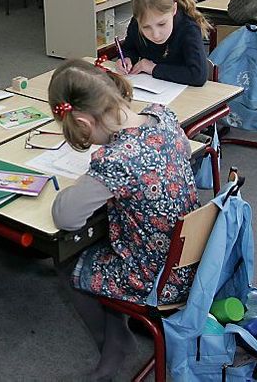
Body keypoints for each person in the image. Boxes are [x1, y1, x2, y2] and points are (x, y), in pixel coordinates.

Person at [49, 59, 199, 380]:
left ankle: (113, 342)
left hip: (156, 279)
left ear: (85, 124)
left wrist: (81, 185)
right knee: (105, 230)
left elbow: (66, 217)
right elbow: (185, 151)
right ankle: (120, 328)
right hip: (191, 257)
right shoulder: (162, 115)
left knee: (66, 259)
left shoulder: (116, 160)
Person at [113, 0, 210, 87]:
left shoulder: (188, 28)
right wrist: (126, 59)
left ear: (174, 9)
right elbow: (129, 48)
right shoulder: (136, 24)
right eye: (146, 27)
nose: (156, 35)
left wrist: (153, 68)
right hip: (149, 90)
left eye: (162, 24)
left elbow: (198, 75)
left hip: (183, 95)